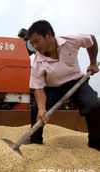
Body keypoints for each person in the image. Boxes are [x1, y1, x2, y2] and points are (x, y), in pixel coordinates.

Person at [27, 20, 100, 151]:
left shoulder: (71, 41)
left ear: (48, 34)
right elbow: (38, 88)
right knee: (35, 109)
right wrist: (42, 109)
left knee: (93, 105)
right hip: (52, 87)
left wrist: (93, 63)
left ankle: (96, 143)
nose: (35, 47)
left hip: (77, 82)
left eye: (36, 41)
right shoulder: (37, 61)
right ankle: (35, 140)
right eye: (32, 44)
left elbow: (92, 40)